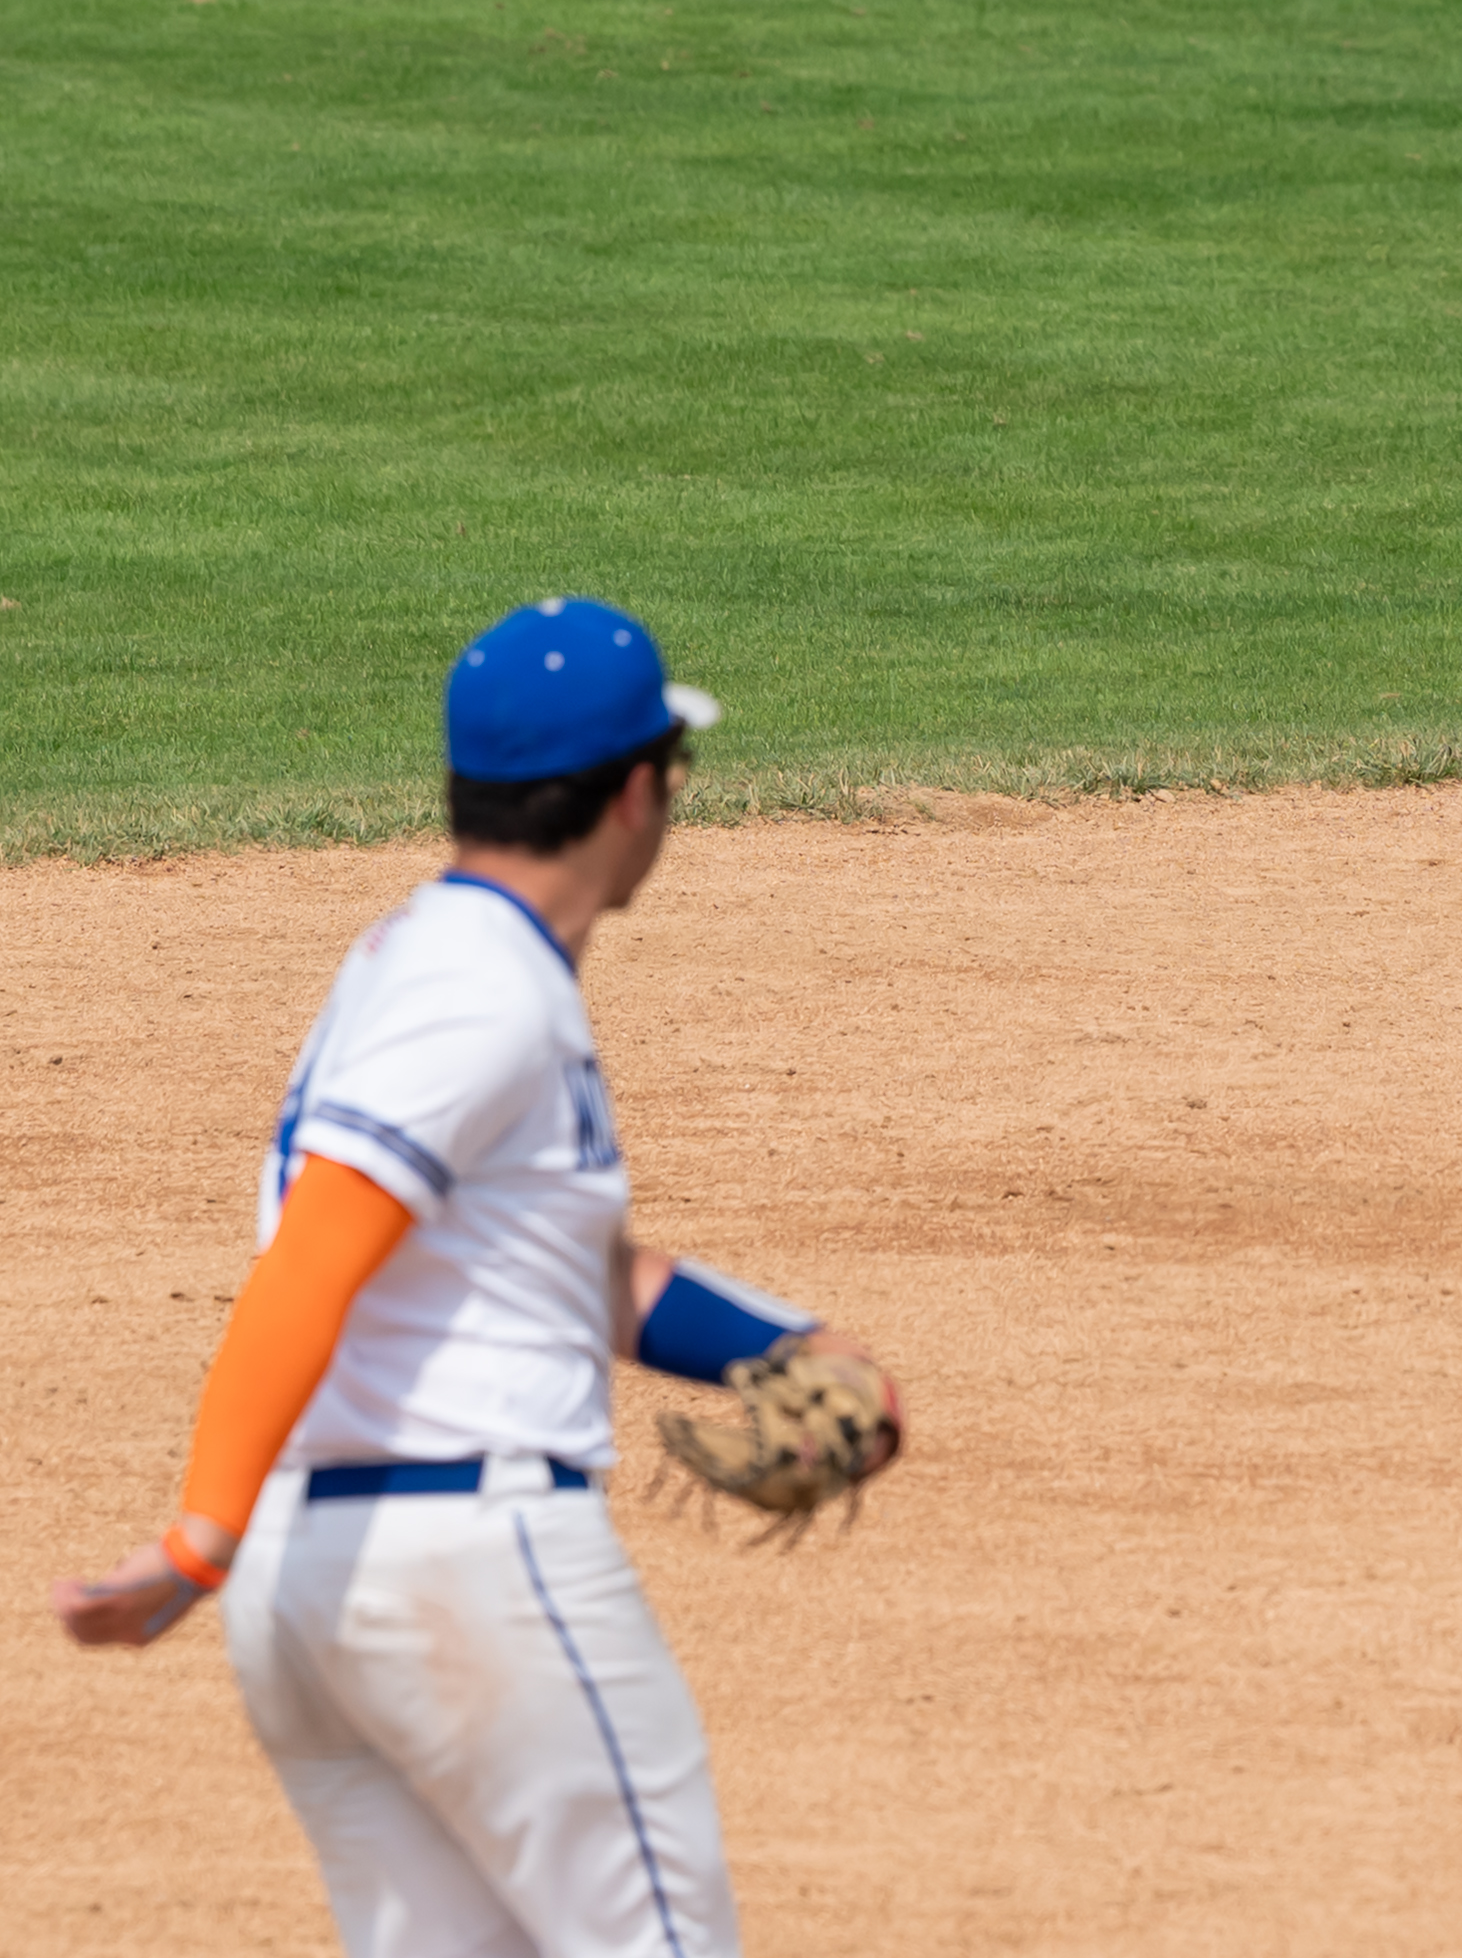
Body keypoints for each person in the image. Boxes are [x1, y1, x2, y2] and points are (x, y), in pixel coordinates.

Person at [52, 597, 901, 1958]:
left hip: (322, 1592)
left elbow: (570, 1269)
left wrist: (792, 1341)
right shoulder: (482, 990)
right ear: (636, 793)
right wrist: (191, 1540)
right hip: (468, 1574)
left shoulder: (422, 957)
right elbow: (313, 1255)